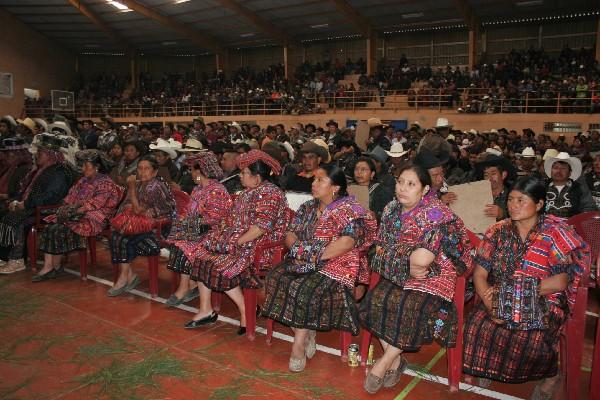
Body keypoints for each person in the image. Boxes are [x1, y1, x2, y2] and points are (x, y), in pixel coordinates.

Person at [463, 176, 589, 398]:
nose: (513, 205)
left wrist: (510, 292)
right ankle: (492, 364)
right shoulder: (498, 231)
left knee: (527, 329)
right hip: (499, 294)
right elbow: (480, 273)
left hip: (543, 297)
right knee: (478, 323)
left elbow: (559, 282)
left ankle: (551, 375)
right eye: (511, 200)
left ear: (539, 204)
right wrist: (490, 301)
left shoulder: (554, 233)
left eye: (521, 200)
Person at [359, 163, 473, 394]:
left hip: (437, 272)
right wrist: (401, 261)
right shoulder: (391, 209)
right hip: (403, 271)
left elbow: (422, 261)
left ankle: (383, 363)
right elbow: (376, 248)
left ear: (424, 190)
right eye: (400, 182)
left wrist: (392, 257)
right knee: (373, 303)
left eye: (411, 184)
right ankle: (396, 362)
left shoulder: (436, 213)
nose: (402, 188)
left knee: (409, 306)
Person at [262, 164, 377, 372]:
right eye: (314, 179)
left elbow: (346, 244)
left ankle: (298, 343)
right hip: (304, 259)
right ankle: (306, 331)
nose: (313, 184)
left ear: (335, 187)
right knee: (274, 278)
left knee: (303, 289)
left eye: (320, 180)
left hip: (337, 265)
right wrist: (298, 251)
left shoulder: (349, 211)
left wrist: (309, 256)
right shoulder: (308, 207)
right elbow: (290, 232)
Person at [185, 150, 288, 334]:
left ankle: (246, 311)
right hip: (242, 240)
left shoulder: (271, 193)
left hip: (261, 246)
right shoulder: (246, 193)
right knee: (201, 254)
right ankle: (205, 309)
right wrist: (221, 234)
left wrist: (235, 241)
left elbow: (261, 228)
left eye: (244, 173)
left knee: (219, 262)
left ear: (257, 177)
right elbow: (230, 218)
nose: (240, 176)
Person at [34, 150, 123, 281]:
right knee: (51, 227)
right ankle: (51, 266)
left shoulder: (106, 183)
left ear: (97, 167)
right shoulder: (83, 180)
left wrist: (75, 209)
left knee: (59, 229)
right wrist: (67, 207)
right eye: (83, 165)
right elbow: (70, 197)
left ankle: (53, 267)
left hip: (95, 218)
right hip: (78, 214)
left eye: (86, 166)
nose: (83, 169)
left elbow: (95, 204)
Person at [0, 134, 75, 274]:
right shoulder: (41, 169)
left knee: (14, 219)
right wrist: (15, 201)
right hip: (33, 206)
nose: (36, 155)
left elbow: (50, 196)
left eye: (40, 152)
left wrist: (24, 204)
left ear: (50, 154)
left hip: (48, 211)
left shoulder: (59, 171)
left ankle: (17, 260)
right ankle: (4, 257)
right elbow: (25, 190)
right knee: (4, 213)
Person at [165, 152, 231, 307]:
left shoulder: (217, 190)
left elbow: (216, 219)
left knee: (184, 244)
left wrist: (190, 222)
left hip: (214, 232)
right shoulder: (198, 189)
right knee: (178, 239)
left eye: (194, 171)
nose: (192, 174)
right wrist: (185, 220)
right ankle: (190, 284)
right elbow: (189, 211)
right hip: (198, 228)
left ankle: (184, 288)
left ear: (202, 172)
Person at [108, 155, 176, 296]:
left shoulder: (156, 186)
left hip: (160, 228)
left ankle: (124, 278)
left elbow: (139, 210)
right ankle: (129, 275)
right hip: (139, 226)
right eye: (140, 168)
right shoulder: (139, 184)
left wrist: (131, 189)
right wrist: (132, 207)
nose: (143, 172)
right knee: (117, 235)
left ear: (155, 172)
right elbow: (128, 206)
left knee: (122, 238)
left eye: (147, 169)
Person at [544, 152, 596, 218]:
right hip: (544, 225)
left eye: (563, 168)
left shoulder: (579, 188)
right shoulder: (542, 186)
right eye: (555, 168)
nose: (559, 171)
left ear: (570, 173)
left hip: (571, 226)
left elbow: (589, 207)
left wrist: (577, 220)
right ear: (551, 171)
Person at [475, 155, 513, 221]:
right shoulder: (478, 195)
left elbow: (520, 220)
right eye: (486, 175)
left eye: (493, 174)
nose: (489, 178)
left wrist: (502, 214)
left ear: (503, 175)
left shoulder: (512, 197)